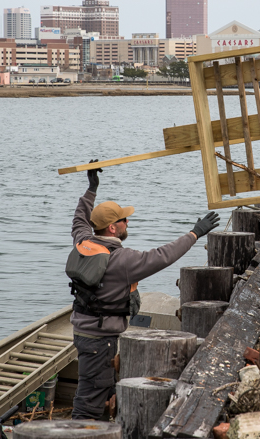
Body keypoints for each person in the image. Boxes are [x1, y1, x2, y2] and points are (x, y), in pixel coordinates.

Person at [67, 160, 219, 420]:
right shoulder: (122, 261)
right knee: (90, 399)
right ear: (113, 228)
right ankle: (77, 432)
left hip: (85, 332)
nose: (128, 222)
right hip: (99, 340)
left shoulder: (83, 240)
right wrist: (195, 234)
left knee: (96, 390)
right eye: (124, 219)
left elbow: (80, 218)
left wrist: (91, 188)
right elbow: (163, 256)